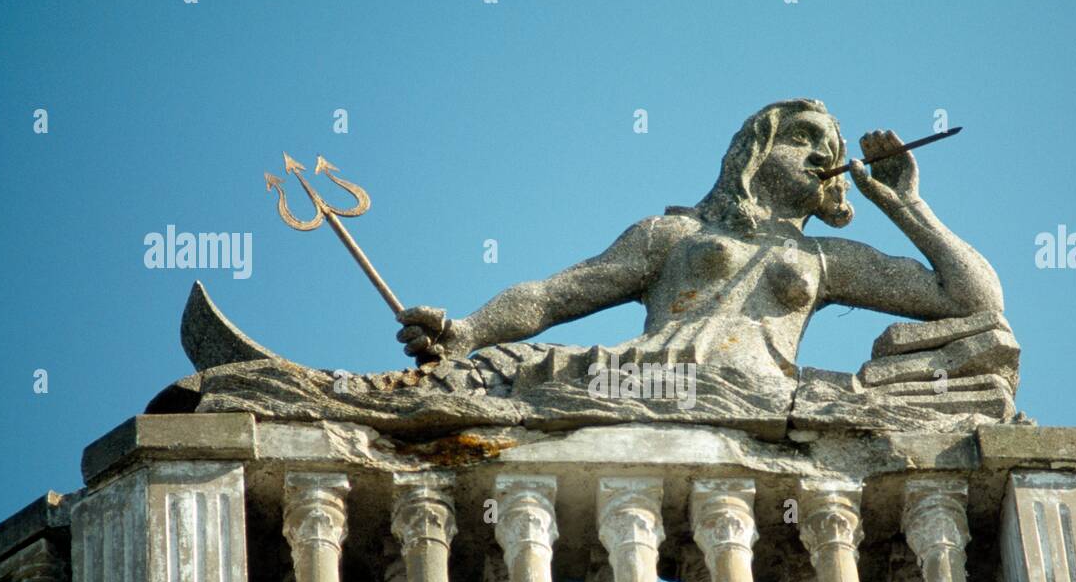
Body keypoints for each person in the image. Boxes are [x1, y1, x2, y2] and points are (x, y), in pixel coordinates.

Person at [397, 99, 1002, 383]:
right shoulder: (676, 233)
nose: (823, 154)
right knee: (495, 379)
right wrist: (466, 332)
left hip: (763, 390)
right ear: (754, 151)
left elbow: (978, 305)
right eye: (803, 138)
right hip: (654, 381)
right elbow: (557, 295)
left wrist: (910, 208)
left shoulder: (825, 260)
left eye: (833, 150)